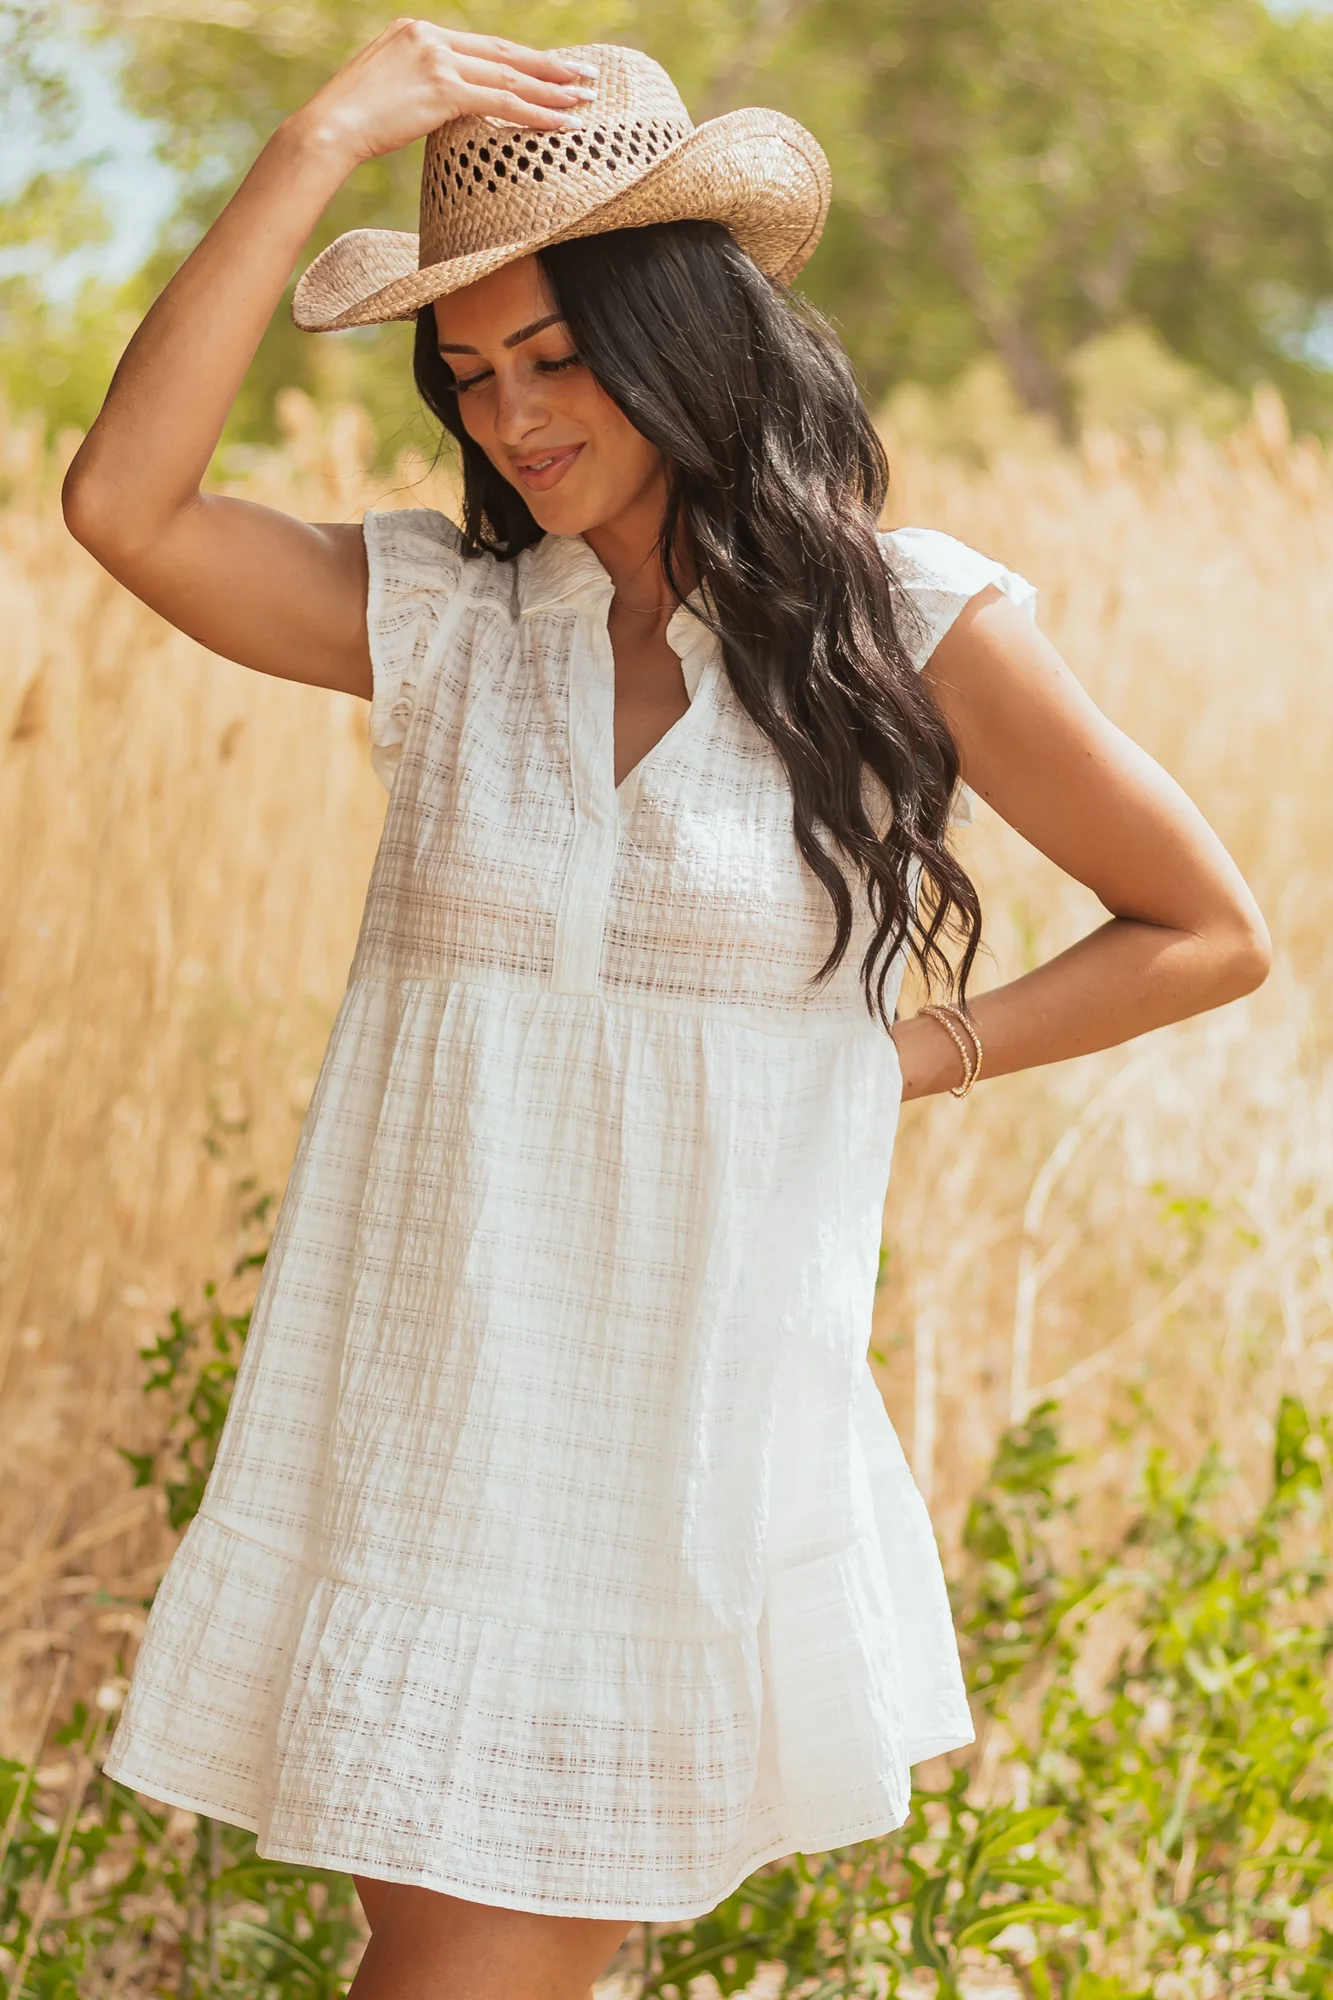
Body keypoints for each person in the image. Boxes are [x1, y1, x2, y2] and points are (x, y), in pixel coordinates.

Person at [62, 20, 1271, 1999]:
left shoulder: (906, 623)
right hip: (420, 1429)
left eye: (555, 357)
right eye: (470, 373)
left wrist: (892, 1063)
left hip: (673, 1441)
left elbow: (1207, 928)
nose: (512, 416)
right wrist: (320, 137)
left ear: (685, 336)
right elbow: (124, 503)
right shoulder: (448, 625)